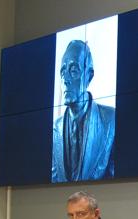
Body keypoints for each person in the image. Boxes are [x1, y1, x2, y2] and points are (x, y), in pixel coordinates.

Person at [52, 40, 115, 183]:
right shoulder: (54, 128)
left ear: (89, 76)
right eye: (63, 72)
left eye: (74, 71)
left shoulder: (111, 120)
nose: (65, 79)